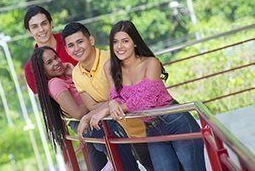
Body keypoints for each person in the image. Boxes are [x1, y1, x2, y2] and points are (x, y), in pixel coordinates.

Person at [104, 20, 206, 171]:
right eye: (115, 42)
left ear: (135, 43)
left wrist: (109, 109)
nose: (119, 47)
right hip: (151, 128)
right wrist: (112, 103)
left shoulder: (151, 63)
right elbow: (115, 96)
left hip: (176, 121)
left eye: (125, 41)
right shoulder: (111, 67)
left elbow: (147, 99)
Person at [62, 22, 154, 170]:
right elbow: (91, 106)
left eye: (80, 42)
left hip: (141, 126)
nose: (77, 48)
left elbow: (124, 97)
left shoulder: (111, 59)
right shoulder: (76, 73)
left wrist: (91, 114)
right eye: (71, 45)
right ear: (67, 50)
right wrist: (110, 103)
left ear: (91, 40)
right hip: (119, 132)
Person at [30, 46, 139, 171]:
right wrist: (106, 102)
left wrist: (73, 71)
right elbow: (77, 113)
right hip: (88, 123)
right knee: (121, 155)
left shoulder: (67, 75)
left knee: (101, 160)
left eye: (56, 58)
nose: (56, 62)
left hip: (92, 120)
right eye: (49, 62)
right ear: (43, 71)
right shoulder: (55, 83)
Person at [23, 5, 77, 94]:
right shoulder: (30, 68)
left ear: (51, 24)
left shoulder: (71, 39)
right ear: (29, 32)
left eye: (44, 23)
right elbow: (45, 103)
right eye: (35, 27)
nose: (41, 29)